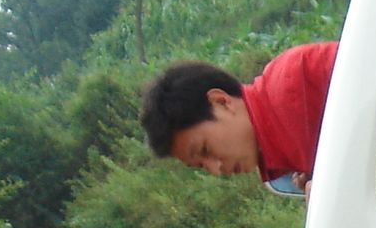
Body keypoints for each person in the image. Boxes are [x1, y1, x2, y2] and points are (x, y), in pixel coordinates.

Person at [140, 42, 338, 191]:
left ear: (221, 102)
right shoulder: (283, 159)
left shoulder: (303, 75)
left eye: (206, 150)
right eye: (202, 166)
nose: (217, 170)